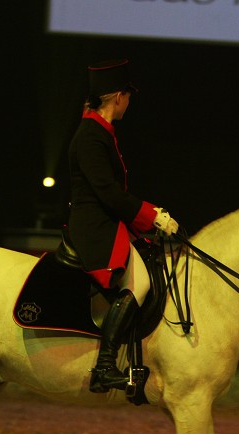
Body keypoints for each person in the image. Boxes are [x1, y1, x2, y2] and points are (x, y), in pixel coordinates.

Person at [66, 59, 179, 393]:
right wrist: (152, 215)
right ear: (118, 97)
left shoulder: (99, 132)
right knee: (140, 283)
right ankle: (104, 367)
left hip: (105, 222)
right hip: (94, 226)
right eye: (128, 96)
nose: (129, 102)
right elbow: (108, 193)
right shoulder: (90, 136)